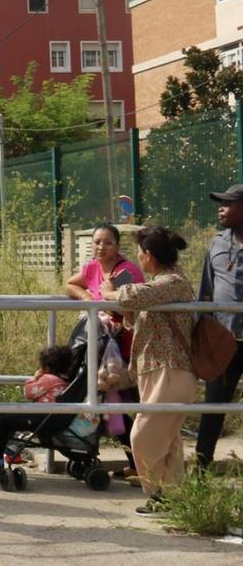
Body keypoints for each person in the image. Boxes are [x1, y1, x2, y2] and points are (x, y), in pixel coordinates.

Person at [100, 226, 197, 517]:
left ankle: (159, 494)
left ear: (149, 256)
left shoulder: (173, 282)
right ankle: (172, 499)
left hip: (172, 371)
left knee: (142, 436)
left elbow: (132, 294)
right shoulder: (162, 285)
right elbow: (138, 311)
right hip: (158, 371)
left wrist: (111, 292)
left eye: (140, 253)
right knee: (168, 442)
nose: (138, 259)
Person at [64, 223, 144, 480]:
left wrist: (99, 300)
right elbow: (70, 284)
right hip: (104, 350)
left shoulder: (124, 272)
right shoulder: (92, 266)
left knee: (138, 407)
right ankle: (135, 463)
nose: (101, 247)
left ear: (118, 246)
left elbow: (121, 306)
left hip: (126, 348)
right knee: (114, 405)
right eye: (97, 242)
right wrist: (88, 300)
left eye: (107, 242)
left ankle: (146, 465)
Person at [197, 184, 243, 471]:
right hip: (224, 343)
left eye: (228, 203)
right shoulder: (216, 243)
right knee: (213, 408)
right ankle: (200, 472)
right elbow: (206, 293)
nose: (221, 208)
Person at [0, 346, 76, 479]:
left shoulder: (48, 379)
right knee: (5, 418)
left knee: (3, 420)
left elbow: (28, 393)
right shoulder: (66, 381)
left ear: (47, 367)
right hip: (52, 419)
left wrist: (34, 378)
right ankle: (2, 435)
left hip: (41, 419)